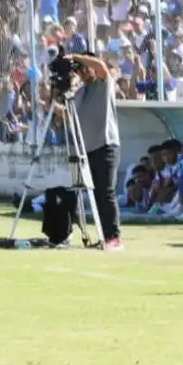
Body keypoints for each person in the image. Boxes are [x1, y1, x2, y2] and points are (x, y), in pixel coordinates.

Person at [61, 51, 122, 249]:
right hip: (87, 150)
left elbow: (102, 67)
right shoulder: (80, 92)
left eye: (85, 68)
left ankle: (114, 236)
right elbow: (69, 116)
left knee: (106, 193)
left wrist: (75, 57)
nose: (83, 72)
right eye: (80, 69)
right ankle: (104, 236)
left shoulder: (103, 84)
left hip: (106, 145)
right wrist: (55, 101)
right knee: (95, 196)